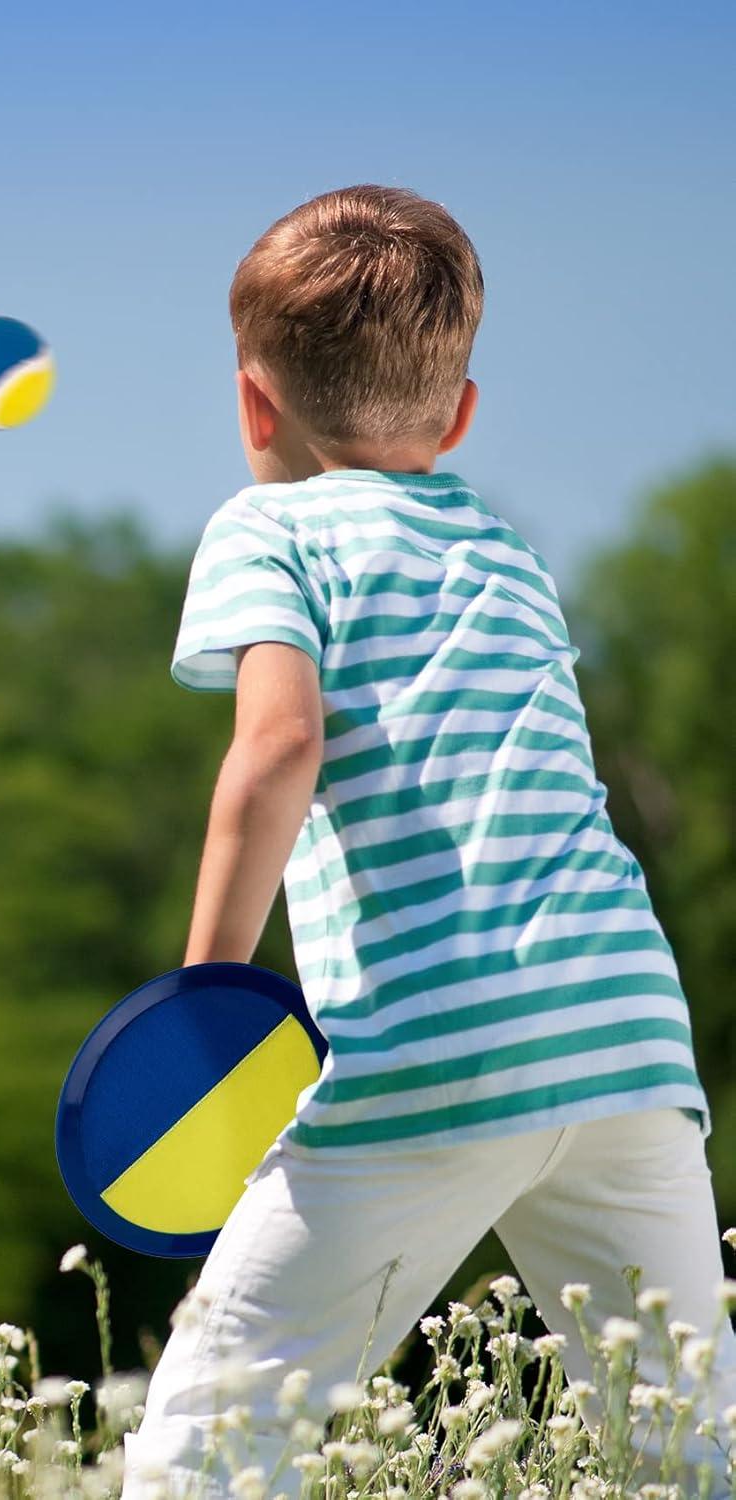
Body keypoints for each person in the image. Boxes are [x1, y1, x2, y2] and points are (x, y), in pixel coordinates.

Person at [121, 185, 731, 1496]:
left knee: (217, 1433)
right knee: (689, 1446)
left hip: (429, 1051)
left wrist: (203, 997)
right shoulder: (509, 551)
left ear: (252, 407)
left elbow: (279, 747)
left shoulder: (267, 528)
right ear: (457, 416)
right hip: (622, 1034)